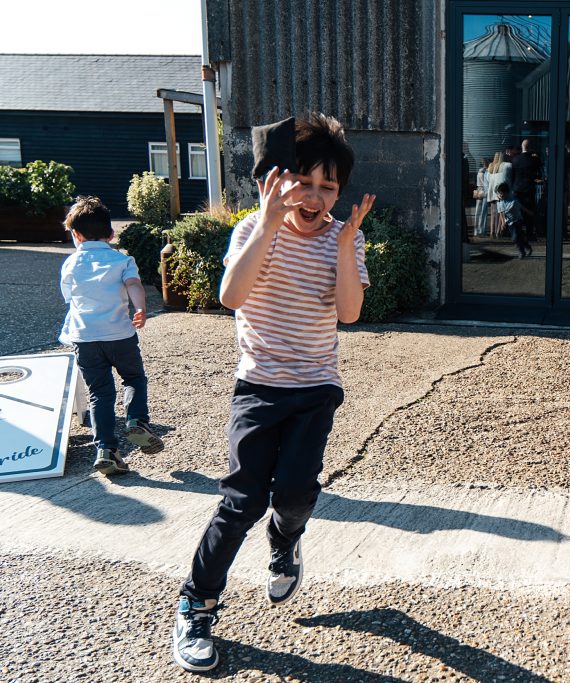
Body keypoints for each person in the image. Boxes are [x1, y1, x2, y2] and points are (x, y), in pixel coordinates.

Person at [171, 113, 374, 673]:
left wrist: (346, 243)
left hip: (315, 387)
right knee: (241, 502)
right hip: (259, 386)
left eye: (327, 186)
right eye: (303, 182)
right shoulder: (251, 230)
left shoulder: (341, 237)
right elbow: (232, 296)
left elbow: (350, 314)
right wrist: (264, 225)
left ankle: (285, 540)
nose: (314, 197)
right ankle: (196, 604)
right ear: (274, 180)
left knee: (294, 496)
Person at [59, 195, 164, 476]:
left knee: (99, 394)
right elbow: (133, 285)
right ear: (111, 233)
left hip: (85, 338)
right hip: (120, 334)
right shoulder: (121, 260)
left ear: (76, 235)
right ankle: (136, 421)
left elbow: (68, 298)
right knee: (133, 378)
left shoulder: (70, 265)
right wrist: (140, 308)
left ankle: (106, 450)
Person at [511, 138, 542, 240]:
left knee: (518, 212)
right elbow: (539, 172)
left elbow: (513, 176)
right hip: (529, 189)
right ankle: (529, 233)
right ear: (530, 148)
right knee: (529, 212)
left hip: (517, 189)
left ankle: (518, 234)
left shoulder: (515, 160)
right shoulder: (534, 160)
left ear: (522, 147)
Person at [495, 182, 532, 258]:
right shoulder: (499, 203)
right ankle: (527, 247)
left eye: (502, 193)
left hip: (518, 221)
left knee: (515, 237)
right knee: (518, 237)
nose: (500, 195)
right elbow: (501, 214)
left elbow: (522, 207)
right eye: (499, 193)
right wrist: (502, 224)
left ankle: (521, 252)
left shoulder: (513, 201)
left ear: (507, 193)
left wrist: (529, 212)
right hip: (509, 223)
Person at [487, 151, 512, 238]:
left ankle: (491, 232)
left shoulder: (491, 166)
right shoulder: (507, 165)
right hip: (501, 191)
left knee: (493, 214)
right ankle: (498, 233)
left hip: (492, 193)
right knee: (501, 213)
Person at [473, 162, 489, 237]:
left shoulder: (479, 172)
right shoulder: (486, 172)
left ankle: (475, 231)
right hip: (484, 190)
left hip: (478, 189)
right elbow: (486, 183)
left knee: (477, 211)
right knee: (483, 211)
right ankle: (482, 230)